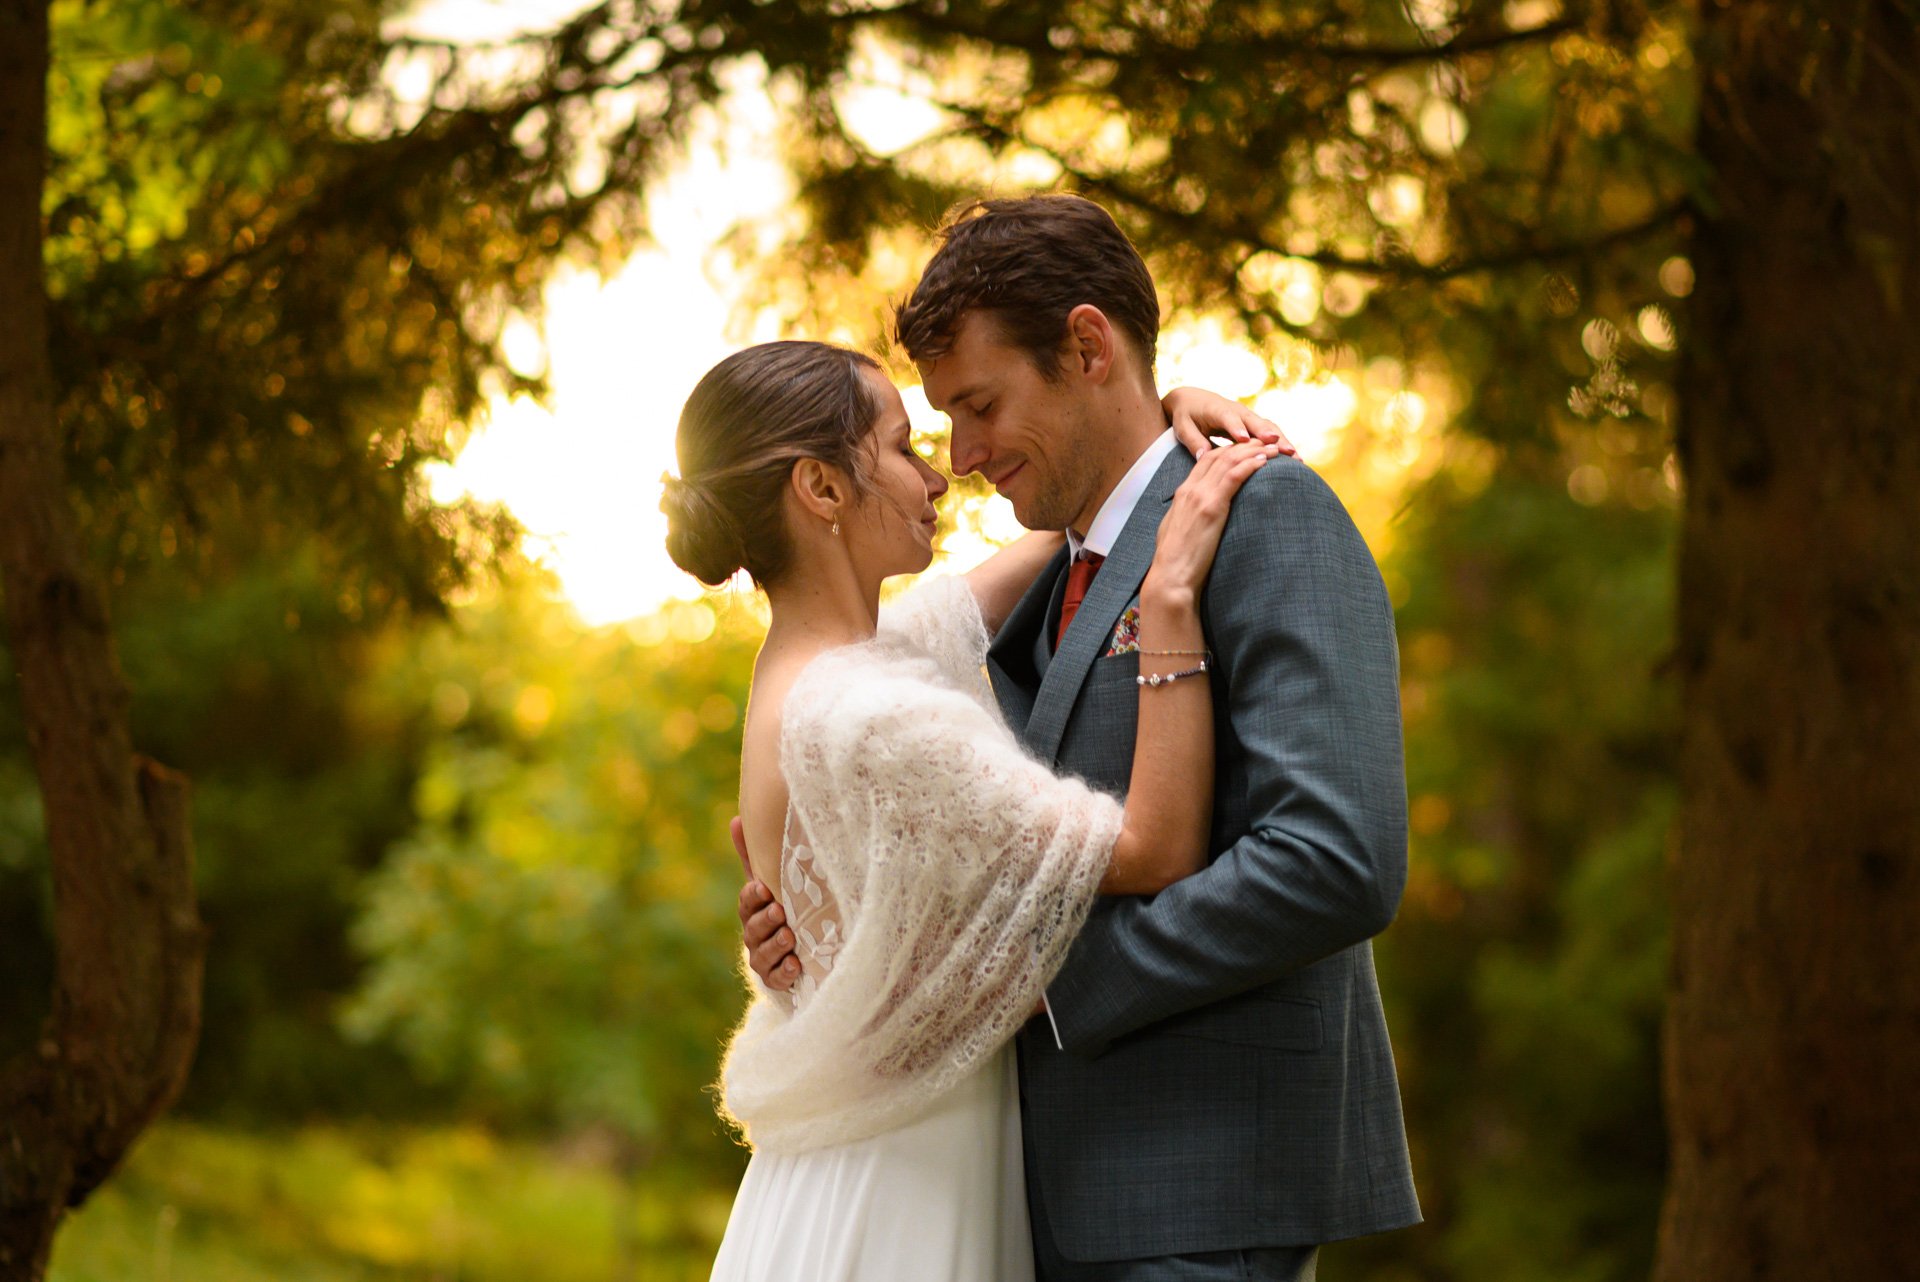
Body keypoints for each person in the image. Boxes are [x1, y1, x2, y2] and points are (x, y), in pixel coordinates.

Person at [739, 194, 1421, 1281]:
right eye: (938, 423)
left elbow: (1336, 860)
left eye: (980, 406)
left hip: (1198, 1188)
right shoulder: (1054, 574)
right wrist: (827, 935)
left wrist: (1047, 987)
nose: (960, 456)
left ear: (1088, 347)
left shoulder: (1269, 513)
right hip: (1038, 1191)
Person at [663, 338, 1285, 1280]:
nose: (939, 477)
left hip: (851, 1168)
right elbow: (1153, 849)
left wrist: (1157, 416)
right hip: (898, 1205)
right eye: (904, 447)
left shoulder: (822, 670)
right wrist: (1167, 607)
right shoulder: (872, 715)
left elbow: (1066, 529)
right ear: (821, 489)